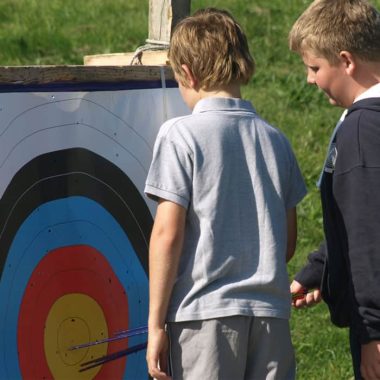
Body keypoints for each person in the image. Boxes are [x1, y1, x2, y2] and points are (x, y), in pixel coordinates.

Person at [145, 8, 307, 380]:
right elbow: (287, 242)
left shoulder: (180, 134)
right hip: (271, 318)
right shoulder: (276, 140)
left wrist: (155, 325)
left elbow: (167, 234)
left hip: (203, 319)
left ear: (187, 73)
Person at [288, 0, 380, 379]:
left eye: (315, 67)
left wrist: (373, 334)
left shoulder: (361, 132)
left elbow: (367, 234)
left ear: (346, 60)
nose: (310, 79)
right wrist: (321, 270)